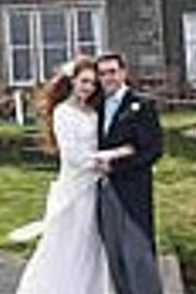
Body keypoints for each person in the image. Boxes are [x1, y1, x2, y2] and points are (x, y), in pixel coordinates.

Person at [10, 56, 132, 294]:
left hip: (95, 185)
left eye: (93, 83)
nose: (88, 87)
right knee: (70, 241)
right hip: (75, 186)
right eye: (84, 81)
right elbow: (73, 156)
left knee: (93, 242)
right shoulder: (63, 112)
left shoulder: (93, 112)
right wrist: (108, 159)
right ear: (73, 81)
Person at [95, 52, 164, 294]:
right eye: (102, 74)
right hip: (103, 191)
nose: (108, 78)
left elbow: (153, 150)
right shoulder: (96, 107)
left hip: (133, 192)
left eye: (112, 72)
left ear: (123, 73)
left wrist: (115, 165)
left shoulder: (142, 105)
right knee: (114, 255)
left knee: (138, 254)